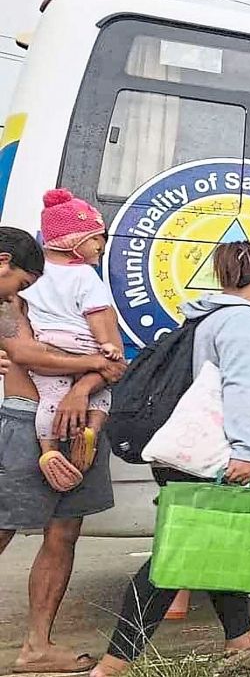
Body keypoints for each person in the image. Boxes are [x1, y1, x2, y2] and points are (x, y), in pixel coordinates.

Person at [91, 241, 250, 676]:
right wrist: (246, 450)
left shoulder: (206, 315)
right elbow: (238, 388)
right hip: (209, 453)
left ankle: (239, 636)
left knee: (220, 538)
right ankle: (113, 664)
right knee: (178, 555)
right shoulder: (243, 319)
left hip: (183, 448)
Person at [0, 226, 127, 675]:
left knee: (64, 533)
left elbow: (117, 359)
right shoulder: (5, 301)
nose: (29, 290)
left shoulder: (82, 289)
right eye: (25, 282)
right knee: (3, 527)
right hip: (25, 420)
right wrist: (92, 361)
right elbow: (26, 353)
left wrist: (81, 389)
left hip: (80, 420)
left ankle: (37, 646)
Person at [23, 189, 125, 492]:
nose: (102, 247)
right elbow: (98, 320)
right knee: (101, 395)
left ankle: (49, 450)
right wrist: (106, 349)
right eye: (96, 239)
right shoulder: (84, 276)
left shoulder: (32, 275)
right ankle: (90, 432)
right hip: (84, 344)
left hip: (47, 344)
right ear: (74, 241)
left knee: (51, 401)